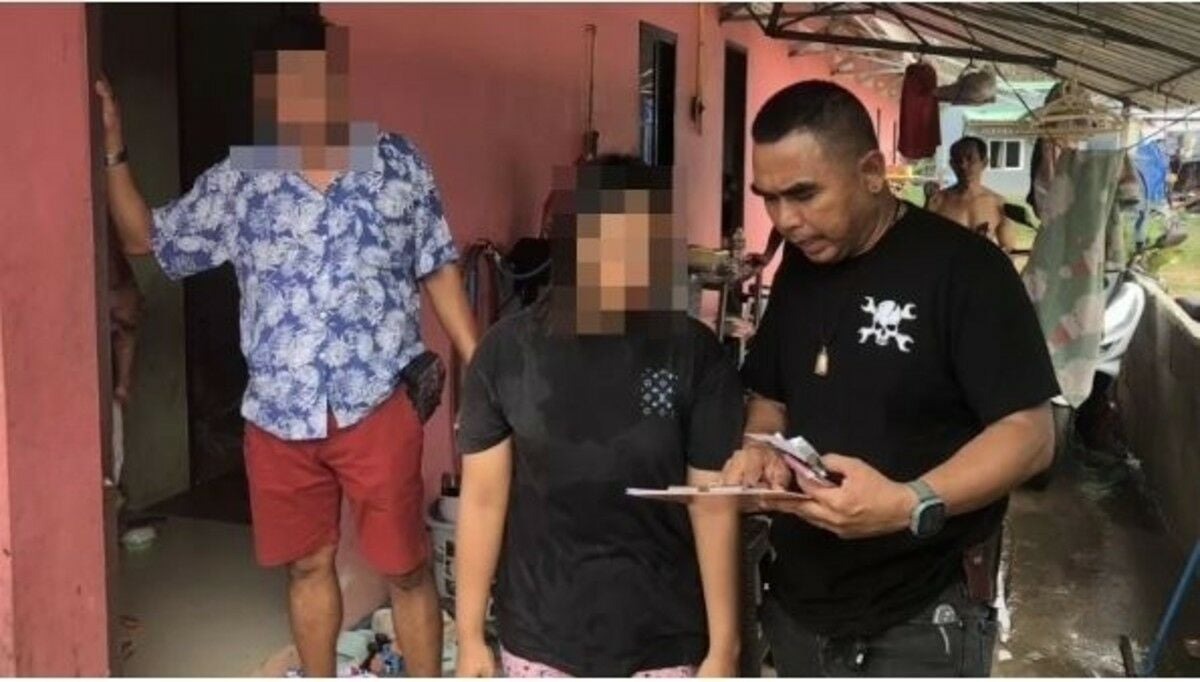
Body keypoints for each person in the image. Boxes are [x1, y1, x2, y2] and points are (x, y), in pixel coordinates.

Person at [95, 14, 478, 677]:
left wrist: (481, 359)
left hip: (377, 404)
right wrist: (113, 148)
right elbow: (144, 238)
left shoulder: (398, 163)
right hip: (278, 415)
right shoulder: (243, 180)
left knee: (407, 568)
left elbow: (438, 266)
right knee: (307, 566)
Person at [721, 81, 1059, 676]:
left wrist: (909, 502)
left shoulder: (965, 269)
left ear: (873, 172)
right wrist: (759, 448)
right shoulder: (800, 265)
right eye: (768, 198)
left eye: (803, 194)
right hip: (800, 602)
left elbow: (1030, 436)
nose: (785, 220)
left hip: (923, 614)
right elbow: (771, 394)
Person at [454, 155, 743, 678]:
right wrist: (470, 636)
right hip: (539, 641)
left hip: (664, 643)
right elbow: (482, 498)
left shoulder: (692, 356)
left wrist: (725, 648)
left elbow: (713, 505)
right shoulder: (507, 353)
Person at [928, 136, 1017, 251]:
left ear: (984, 163)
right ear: (952, 165)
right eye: (958, 160)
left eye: (970, 159)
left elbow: (1008, 250)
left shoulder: (998, 204)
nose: (963, 165)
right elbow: (924, 242)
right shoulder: (938, 200)